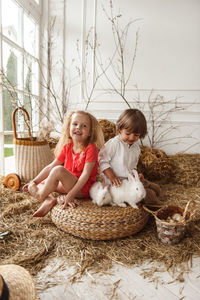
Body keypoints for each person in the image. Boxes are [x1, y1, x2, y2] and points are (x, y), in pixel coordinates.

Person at [23, 110, 104, 217]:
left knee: (58, 171)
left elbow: (85, 175)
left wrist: (70, 195)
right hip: (69, 184)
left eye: (84, 126)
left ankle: (40, 195)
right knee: (46, 180)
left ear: (89, 133)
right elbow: (50, 166)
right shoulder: (68, 147)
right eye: (75, 124)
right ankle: (49, 199)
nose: (78, 127)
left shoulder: (91, 148)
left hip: (82, 188)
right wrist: (34, 181)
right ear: (69, 128)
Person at [98, 108, 161, 205]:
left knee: (157, 188)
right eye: (128, 133)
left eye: (136, 135)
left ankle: (148, 185)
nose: (131, 137)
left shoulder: (136, 148)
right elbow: (102, 161)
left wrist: (136, 176)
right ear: (119, 129)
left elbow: (132, 166)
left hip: (128, 181)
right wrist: (112, 177)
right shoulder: (114, 144)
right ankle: (156, 205)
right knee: (150, 194)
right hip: (116, 184)